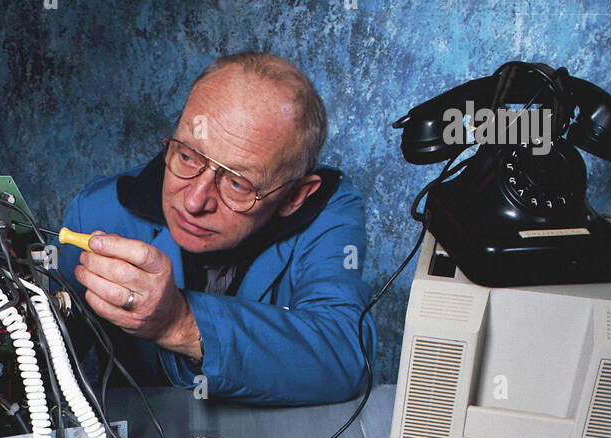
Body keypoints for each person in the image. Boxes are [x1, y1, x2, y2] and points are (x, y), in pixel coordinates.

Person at [57, 51, 376, 406]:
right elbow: (40, 369)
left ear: (295, 196)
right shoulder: (98, 211)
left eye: (238, 183)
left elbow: (344, 357)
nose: (194, 201)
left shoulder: (329, 211)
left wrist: (180, 323)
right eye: (188, 156)